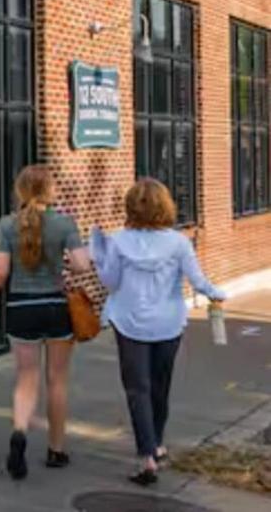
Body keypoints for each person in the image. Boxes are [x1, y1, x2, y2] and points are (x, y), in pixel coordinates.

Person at [91, 178, 227, 487]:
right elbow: (198, 280)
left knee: (137, 389)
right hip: (168, 323)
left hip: (129, 322)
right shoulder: (179, 243)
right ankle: (158, 442)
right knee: (159, 386)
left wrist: (99, 257)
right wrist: (217, 293)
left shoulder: (119, 242)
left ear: (131, 207)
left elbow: (110, 282)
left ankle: (147, 456)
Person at [0, 165, 92, 480]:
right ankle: (56, 450)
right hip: (55, 308)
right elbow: (82, 265)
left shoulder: (7, 225)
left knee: (26, 379)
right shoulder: (64, 223)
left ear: (21, 190)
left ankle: (19, 433)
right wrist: (65, 262)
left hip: (21, 308)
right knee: (57, 381)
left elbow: (1, 272)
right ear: (50, 190)